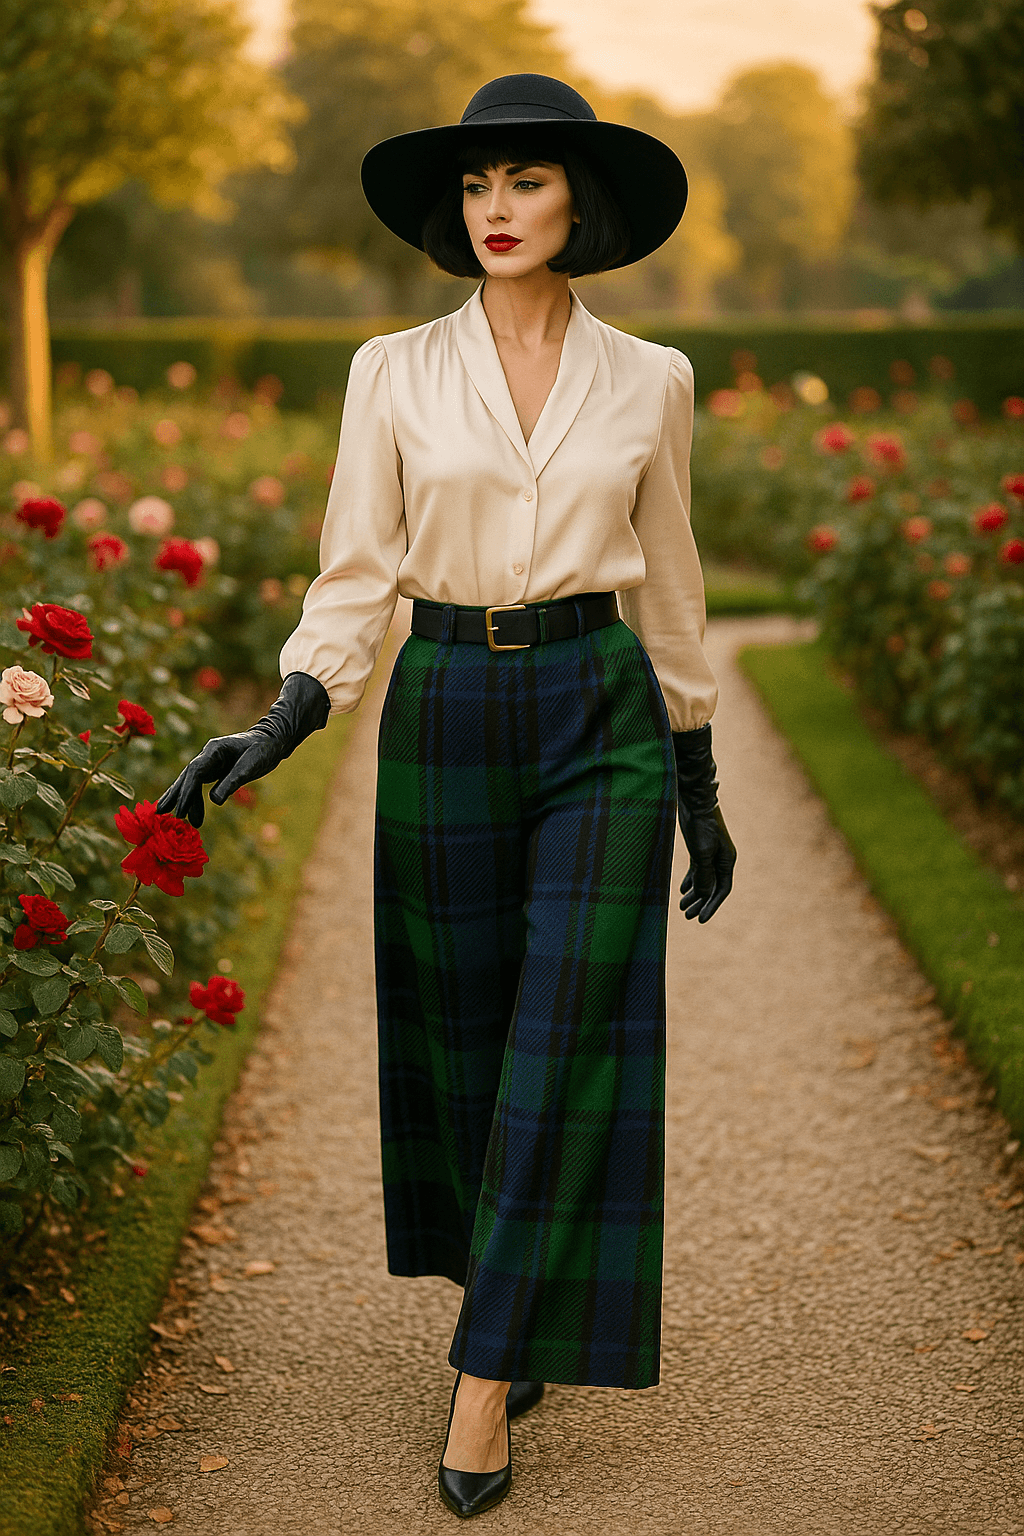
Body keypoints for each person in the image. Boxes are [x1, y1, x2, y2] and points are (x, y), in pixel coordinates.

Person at [158, 73, 736, 1521]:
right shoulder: (391, 371)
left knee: (570, 1022)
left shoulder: (652, 377)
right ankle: (513, 1297)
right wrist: (284, 717)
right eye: (478, 185)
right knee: (465, 1026)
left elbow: (667, 585)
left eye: (526, 181)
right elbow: (356, 572)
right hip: (446, 704)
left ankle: (483, 1383)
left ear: (578, 204)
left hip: (600, 709)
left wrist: (699, 772)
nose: (496, 208)